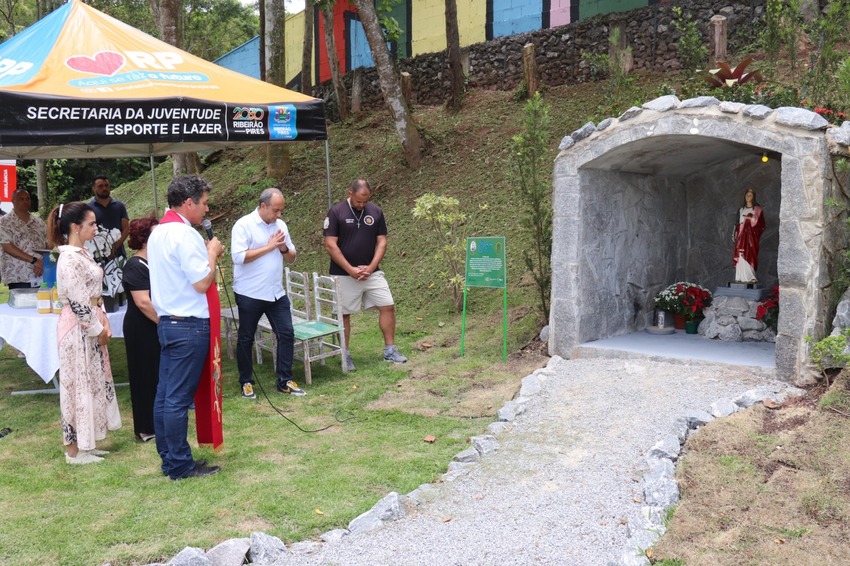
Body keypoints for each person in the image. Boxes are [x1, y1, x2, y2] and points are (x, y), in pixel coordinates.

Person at [147, 175, 224, 480]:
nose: (207, 210)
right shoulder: (185, 235)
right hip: (189, 324)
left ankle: (170, 458)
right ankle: (179, 464)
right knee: (177, 399)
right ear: (189, 203)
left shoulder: (158, 233)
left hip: (168, 321)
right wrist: (212, 253)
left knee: (165, 396)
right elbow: (202, 282)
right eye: (204, 204)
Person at [46, 201, 122, 465]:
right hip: (77, 329)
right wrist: (97, 329)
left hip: (91, 321)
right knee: (77, 385)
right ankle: (73, 450)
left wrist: (103, 319)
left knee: (91, 382)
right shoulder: (68, 258)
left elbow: (92, 296)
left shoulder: (83, 253)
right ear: (76, 227)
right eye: (91, 223)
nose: (96, 227)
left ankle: (87, 443)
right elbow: (78, 303)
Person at [323, 179, 407, 370]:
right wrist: (350, 269)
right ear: (350, 193)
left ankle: (390, 350)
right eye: (359, 201)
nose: (362, 205)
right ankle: (345, 354)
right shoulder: (336, 212)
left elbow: (382, 242)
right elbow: (330, 245)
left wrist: (371, 267)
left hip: (372, 273)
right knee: (343, 314)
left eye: (365, 201)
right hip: (343, 274)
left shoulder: (376, 211)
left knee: (387, 305)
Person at [231, 188, 304, 398]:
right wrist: (269, 246)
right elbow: (238, 257)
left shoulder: (280, 225)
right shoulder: (244, 225)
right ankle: (246, 382)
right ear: (263, 206)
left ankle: (285, 380)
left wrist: (281, 248)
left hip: (275, 292)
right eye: (276, 210)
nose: (279, 215)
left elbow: (291, 257)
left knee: (287, 334)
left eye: (281, 210)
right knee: (246, 338)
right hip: (249, 292)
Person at [122, 216, 160, 442]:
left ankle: (156, 421)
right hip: (141, 326)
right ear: (144, 239)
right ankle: (145, 427)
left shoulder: (154, 263)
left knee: (156, 374)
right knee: (144, 375)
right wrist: (165, 324)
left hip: (153, 324)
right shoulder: (134, 265)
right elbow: (143, 302)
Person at [0, 189, 47, 289]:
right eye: (21, 199)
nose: (25, 201)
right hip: (18, 275)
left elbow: (48, 243)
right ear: (13, 201)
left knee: (43, 302)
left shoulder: (39, 222)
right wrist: (35, 261)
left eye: (27, 199)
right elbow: (8, 247)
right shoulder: (4, 222)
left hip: (40, 272)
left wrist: (42, 262)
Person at [88, 175, 129, 260]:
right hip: (98, 256)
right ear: (94, 189)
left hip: (119, 254)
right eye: (100, 186)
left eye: (106, 185)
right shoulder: (88, 209)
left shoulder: (119, 206)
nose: (104, 188)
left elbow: (126, 229)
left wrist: (115, 245)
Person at [732, 187, 765, 283]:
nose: (748, 197)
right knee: (740, 254)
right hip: (740, 236)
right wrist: (733, 233)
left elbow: (761, 225)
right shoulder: (741, 210)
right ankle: (740, 277)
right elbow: (736, 223)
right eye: (747, 195)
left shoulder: (757, 210)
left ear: (753, 197)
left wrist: (750, 219)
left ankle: (750, 276)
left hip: (751, 238)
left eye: (750, 195)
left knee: (750, 254)